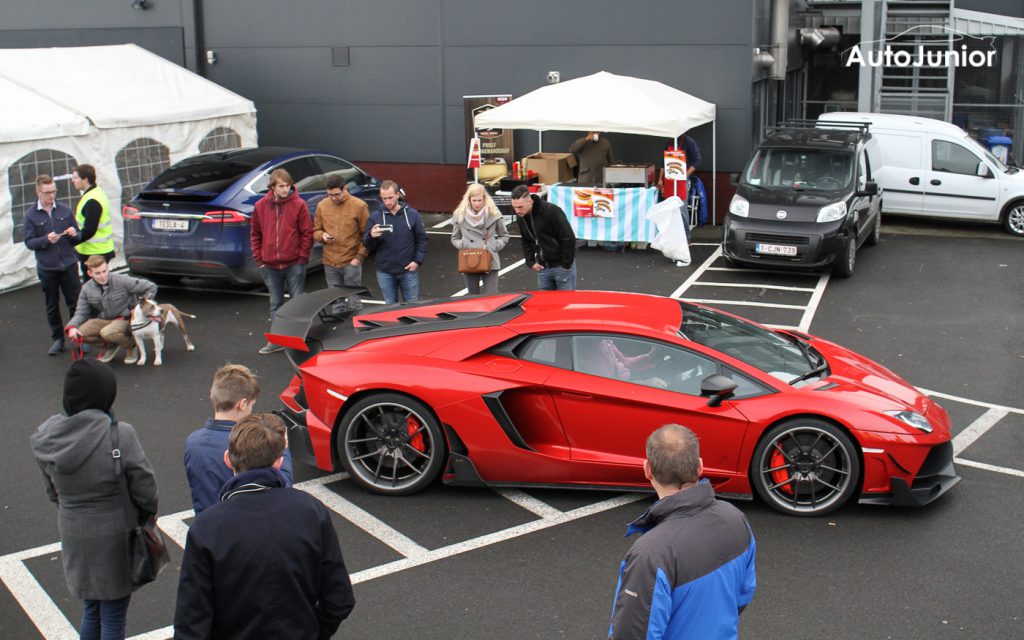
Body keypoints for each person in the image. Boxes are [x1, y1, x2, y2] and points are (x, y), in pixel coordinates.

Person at [174, 413, 355, 640]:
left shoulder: (208, 527)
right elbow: (340, 598)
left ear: (228, 459)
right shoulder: (310, 511)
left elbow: (190, 623)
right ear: (279, 461)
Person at [30, 359, 159, 640]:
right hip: (115, 533)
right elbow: (146, 488)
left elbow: (52, 493)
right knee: (113, 615)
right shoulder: (119, 434)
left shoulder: (46, 438)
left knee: (91, 609)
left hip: (74, 529)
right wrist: (148, 514)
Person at [609, 424, 756, 640]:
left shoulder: (651, 554)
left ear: (647, 469)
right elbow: (744, 594)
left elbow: (632, 634)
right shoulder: (736, 519)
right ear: (699, 467)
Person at [183, 364, 294, 515]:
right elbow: (282, 486)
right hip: (243, 522)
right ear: (242, 404)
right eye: (251, 405)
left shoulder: (193, 442)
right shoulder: (250, 445)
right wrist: (283, 450)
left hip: (208, 522)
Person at [251, 168, 314, 355]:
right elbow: (255, 234)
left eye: (287, 186)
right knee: (275, 304)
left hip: (294, 263)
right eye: (281, 186)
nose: (285, 189)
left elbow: (306, 234)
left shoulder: (299, 205)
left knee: (297, 304)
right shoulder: (261, 206)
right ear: (273, 187)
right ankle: (277, 340)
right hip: (270, 265)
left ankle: (296, 340)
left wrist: (302, 258)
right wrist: (260, 260)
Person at [24, 174, 82, 356]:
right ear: (38, 192)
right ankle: (58, 338)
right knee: (52, 305)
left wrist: (74, 233)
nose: (51, 196)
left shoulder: (64, 210)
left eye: (53, 191)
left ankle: (78, 337)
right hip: (47, 268)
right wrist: (46, 240)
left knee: (76, 303)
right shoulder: (30, 215)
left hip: (69, 264)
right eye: (47, 192)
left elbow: (78, 236)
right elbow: (29, 242)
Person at [66, 255, 157, 365]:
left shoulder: (122, 280)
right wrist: (72, 327)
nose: (103, 276)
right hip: (105, 320)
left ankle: (131, 345)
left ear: (108, 268)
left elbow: (151, 287)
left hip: (125, 320)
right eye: (98, 273)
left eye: (104, 271)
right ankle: (111, 346)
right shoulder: (86, 288)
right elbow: (81, 312)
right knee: (81, 333)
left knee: (107, 333)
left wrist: (139, 308)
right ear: (90, 274)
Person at [363, 180, 428, 304]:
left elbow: (422, 239)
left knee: (412, 307)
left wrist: (417, 261)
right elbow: (367, 244)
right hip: (385, 272)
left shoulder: (412, 215)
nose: (387, 202)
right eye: (384, 198)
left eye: (390, 198)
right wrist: (371, 236)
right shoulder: (375, 217)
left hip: (408, 270)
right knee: (390, 308)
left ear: (398, 195)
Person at [313, 175, 370, 314]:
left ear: (345, 189)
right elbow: (315, 231)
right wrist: (322, 236)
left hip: (351, 260)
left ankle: (355, 333)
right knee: (336, 303)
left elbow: (367, 235)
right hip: (330, 261)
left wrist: (359, 257)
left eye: (336, 194)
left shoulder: (359, 205)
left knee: (354, 302)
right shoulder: (322, 205)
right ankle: (337, 332)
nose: (333, 198)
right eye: (330, 195)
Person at [510, 184, 577, 290]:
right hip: (543, 268)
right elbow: (525, 239)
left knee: (564, 304)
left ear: (530, 201)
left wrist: (566, 264)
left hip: (561, 267)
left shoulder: (551, 211)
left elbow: (568, 237)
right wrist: (530, 261)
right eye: (514, 207)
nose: (517, 211)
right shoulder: (521, 216)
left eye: (520, 207)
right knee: (545, 305)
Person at [450, 183, 510, 295]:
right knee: (473, 298)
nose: (477, 203)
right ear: (468, 200)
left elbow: (504, 235)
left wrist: (494, 246)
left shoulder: (494, 213)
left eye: (479, 200)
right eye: (474, 200)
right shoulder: (460, 215)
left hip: (490, 258)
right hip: (470, 259)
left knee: (490, 298)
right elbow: (454, 238)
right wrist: (463, 245)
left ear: (484, 199)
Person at [70, 164, 116, 280]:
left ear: (85, 180)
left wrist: (73, 240)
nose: (73, 181)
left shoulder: (92, 200)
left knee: (93, 286)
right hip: (97, 249)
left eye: (75, 178)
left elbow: (90, 229)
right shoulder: (95, 193)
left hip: (94, 251)